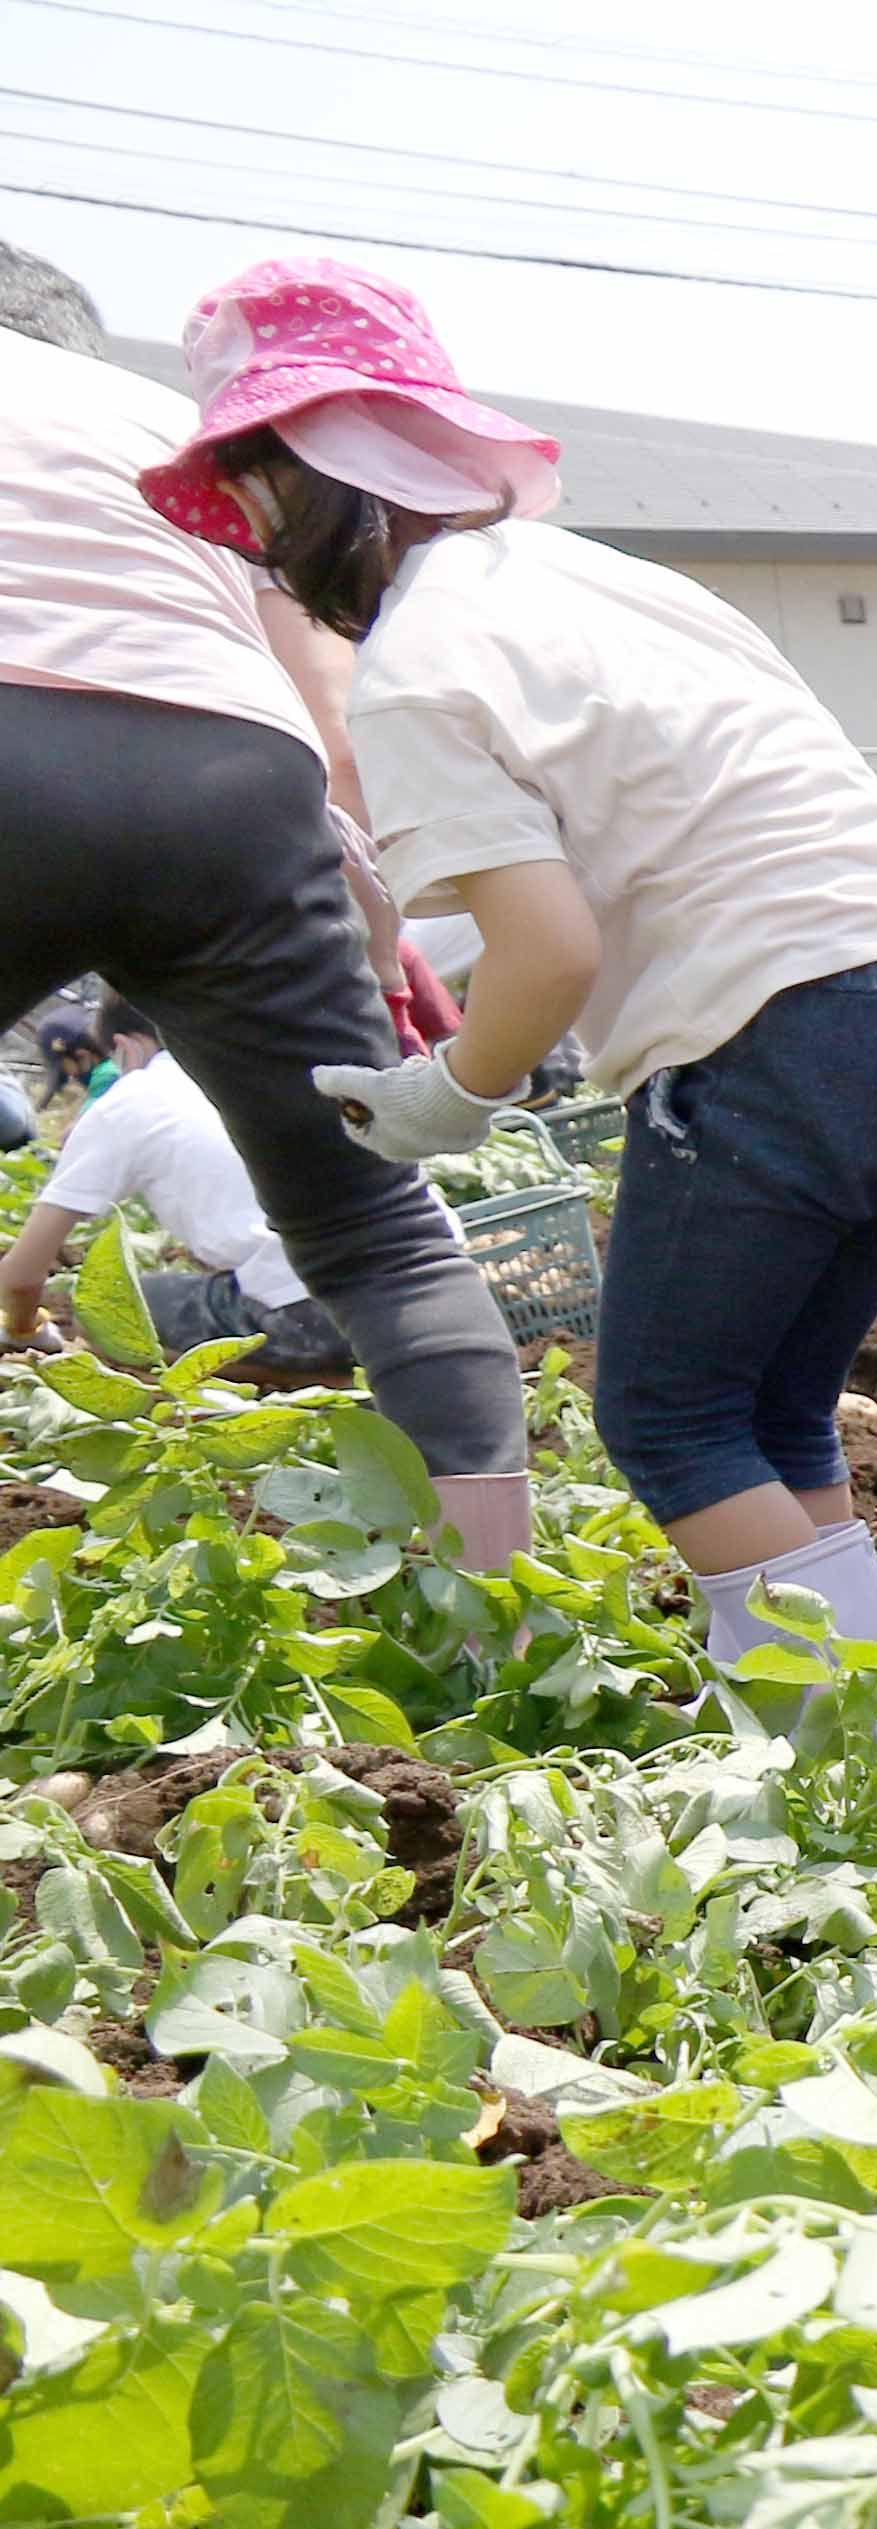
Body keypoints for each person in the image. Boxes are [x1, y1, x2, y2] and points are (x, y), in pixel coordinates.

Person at [151, 259, 877, 1660]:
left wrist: (452, 1093)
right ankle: (862, 1714)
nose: (250, 535)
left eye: (255, 488)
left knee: (664, 1417)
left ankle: (859, 1747)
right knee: (768, 1408)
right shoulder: (604, 579)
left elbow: (547, 947)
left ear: (328, 471)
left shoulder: (418, 660)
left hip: (776, 1033)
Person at [0, 257, 527, 1560]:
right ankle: (506, 1614)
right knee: (374, 1232)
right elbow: (328, 710)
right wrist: (368, 921)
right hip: (233, 779)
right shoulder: (172, 436)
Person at [0, 994, 358, 1374]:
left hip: (312, 1314)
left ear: (125, 1047)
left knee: (107, 1306)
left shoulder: (133, 1097)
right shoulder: (257, 1063)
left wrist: (26, 1332)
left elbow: (21, 1277)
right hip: (404, 1287)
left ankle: (300, 1373)